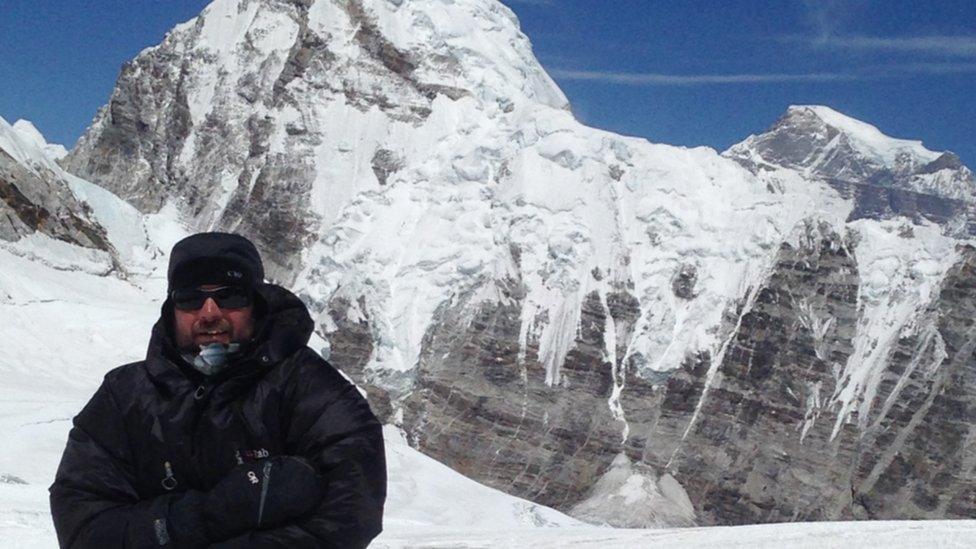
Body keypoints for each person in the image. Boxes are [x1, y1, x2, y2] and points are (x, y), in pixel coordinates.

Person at [49, 232, 386, 548]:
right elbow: (84, 525)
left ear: (256, 304)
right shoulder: (124, 396)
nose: (210, 313)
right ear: (171, 309)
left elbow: (351, 513)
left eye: (229, 296)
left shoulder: (308, 386)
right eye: (191, 299)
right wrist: (204, 515)